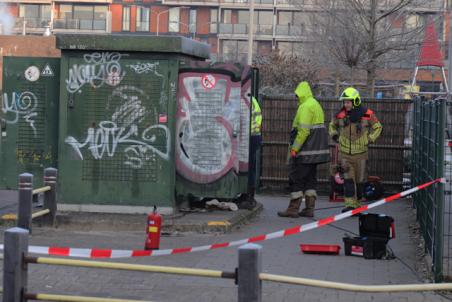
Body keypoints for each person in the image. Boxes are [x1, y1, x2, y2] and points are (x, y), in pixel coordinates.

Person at [278, 81, 330, 218]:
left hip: (305, 151)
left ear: (300, 94)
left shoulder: (305, 107)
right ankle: (309, 209)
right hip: (315, 152)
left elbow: (303, 131)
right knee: (310, 179)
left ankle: (293, 209)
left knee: (297, 178)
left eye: (297, 95)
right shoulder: (316, 104)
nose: (296, 98)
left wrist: (295, 148)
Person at [329, 87, 383, 213]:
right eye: (344, 102)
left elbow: (378, 127)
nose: (345, 104)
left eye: (348, 102)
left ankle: (357, 205)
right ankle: (349, 206)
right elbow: (331, 126)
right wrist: (335, 135)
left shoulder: (367, 113)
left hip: (361, 155)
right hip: (345, 155)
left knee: (359, 182)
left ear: (356, 101)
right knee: (348, 181)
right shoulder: (340, 114)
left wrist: (370, 139)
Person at [238, 95, 262, 210]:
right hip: (255, 135)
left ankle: (247, 196)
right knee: (250, 165)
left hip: (249, 136)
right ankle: (248, 195)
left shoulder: (244, 99)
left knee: (247, 166)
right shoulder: (252, 100)